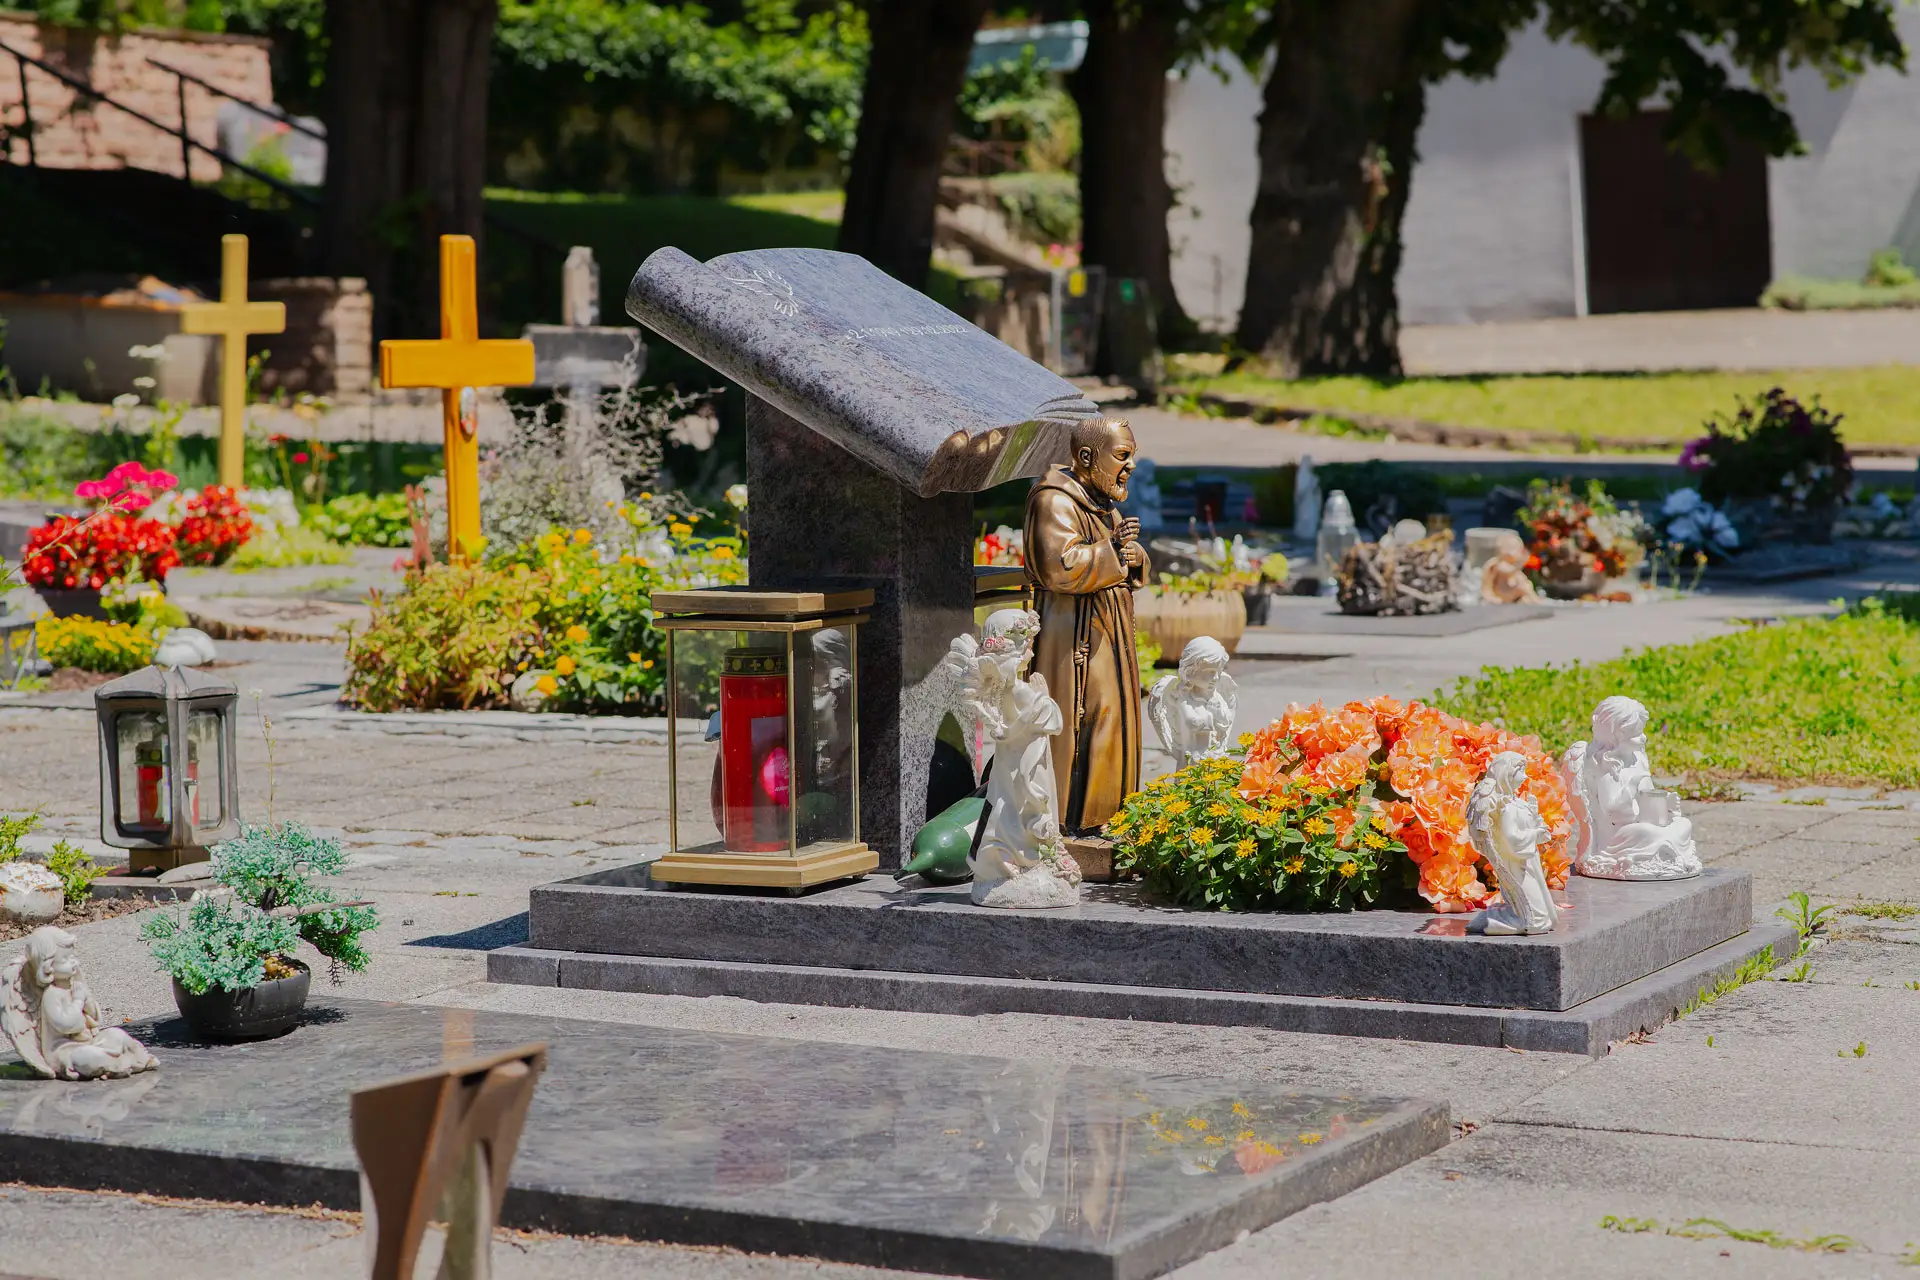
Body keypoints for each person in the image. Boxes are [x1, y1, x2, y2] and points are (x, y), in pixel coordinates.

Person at [1022, 417, 1149, 835]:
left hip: (1108, 635)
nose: (1130, 466)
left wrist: (1132, 555)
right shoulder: (1055, 501)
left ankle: (1110, 814)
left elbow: (1119, 556)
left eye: (1132, 456)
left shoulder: (1100, 502)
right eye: (1122, 456)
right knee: (1089, 720)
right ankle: (1075, 821)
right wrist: (1113, 549)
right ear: (1088, 457)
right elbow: (1060, 568)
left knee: (1116, 720)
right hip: (1073, 635)